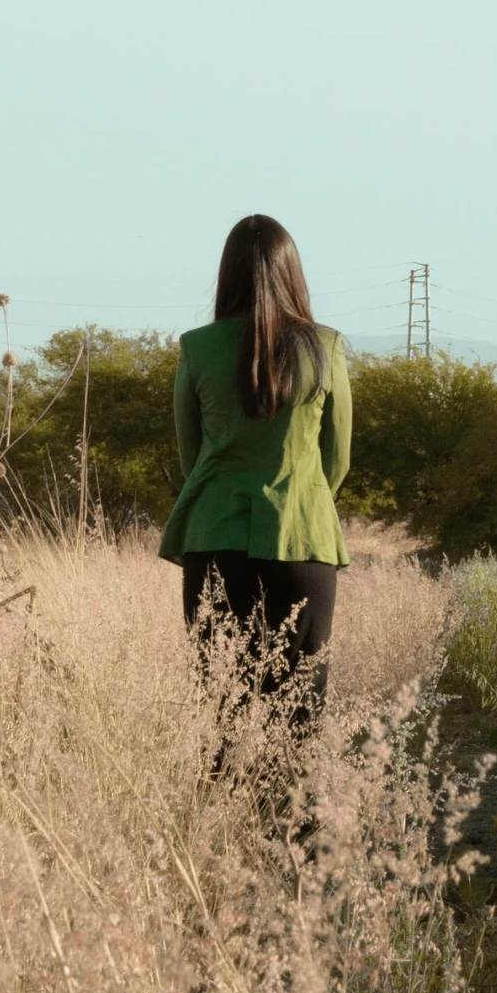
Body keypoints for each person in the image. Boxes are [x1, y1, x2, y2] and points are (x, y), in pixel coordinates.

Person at [160, 214, 353, 744]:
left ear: (228, 274)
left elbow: (191, 457)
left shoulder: (196, 348)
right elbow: (337, 459)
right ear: (292, 270)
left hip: (213, 538)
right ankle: (296, 827)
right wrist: (303, 501)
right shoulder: (327, 347)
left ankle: (224, 825)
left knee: (222, 707)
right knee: (301, 711)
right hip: (303, 538)